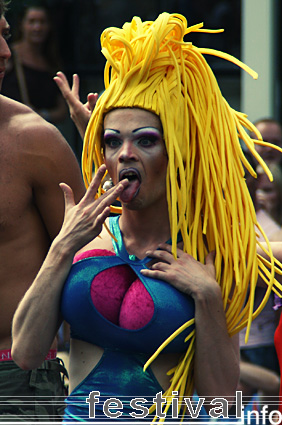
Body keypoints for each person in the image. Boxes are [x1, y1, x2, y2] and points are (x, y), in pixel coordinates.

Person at [11, 12, 282, 423]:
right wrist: (62, 247)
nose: (125, 154)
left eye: (146, 141)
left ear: (176, 155)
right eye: (113, 141)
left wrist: (208, 298)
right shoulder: (87, 235)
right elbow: (27, 353)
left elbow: (221, 401)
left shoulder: (209, 253)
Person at [0, 0, 86, 420]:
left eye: (4, 33)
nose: (6, 51)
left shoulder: (33, 139)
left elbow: (94, 261)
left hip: (14, 379)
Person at [1, 1, 67, 124]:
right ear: (22, 25)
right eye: (32, 22)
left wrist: (42, 115)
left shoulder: (52, 62)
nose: (37, 27)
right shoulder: (8, 55)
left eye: (42, 22)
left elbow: (62, 109)